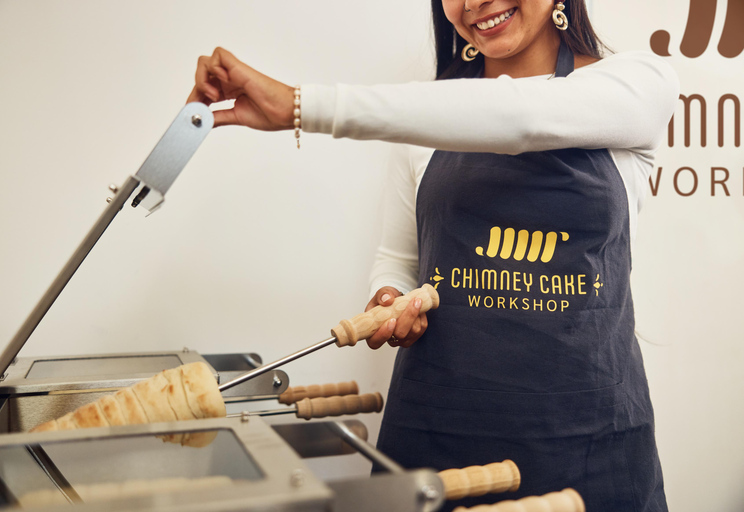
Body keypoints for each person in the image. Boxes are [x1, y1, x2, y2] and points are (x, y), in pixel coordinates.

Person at [188, 0, 679, 510]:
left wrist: (300, 104)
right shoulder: (432, 117)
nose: (473, 3)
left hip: (591, 445)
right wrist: (391, 299)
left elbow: (521, 118)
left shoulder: (637, 83)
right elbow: (398, 258)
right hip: (437, 436)